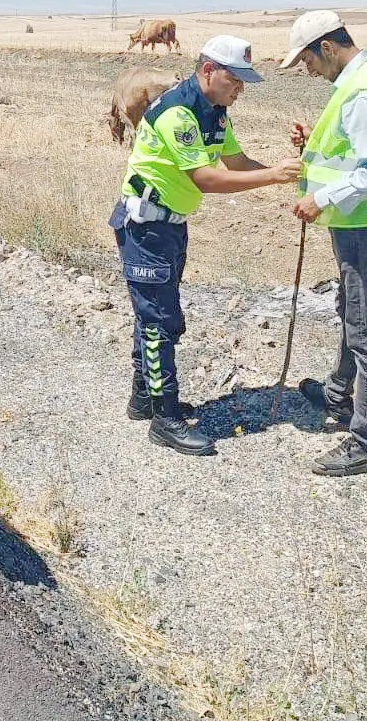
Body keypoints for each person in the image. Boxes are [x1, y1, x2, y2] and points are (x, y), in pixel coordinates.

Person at [110, 35, 301, 456]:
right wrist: (273, 176)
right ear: (209, 71)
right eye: (235, 79)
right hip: (146, 227)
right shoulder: (178, 113)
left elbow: (236, 163)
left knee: (154, 314)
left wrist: (283, 174)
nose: (241, 89)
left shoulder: (214, 111)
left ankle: (144, 398)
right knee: (160, 321)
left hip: (170, 226)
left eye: (244, 81)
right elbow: (206, 179)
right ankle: (165, 419)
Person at [280, 10, 367, 477]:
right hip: (358, 225)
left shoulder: (362, 92)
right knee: (351, 312)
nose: (307, 70)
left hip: (366, 229)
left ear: (328, 48)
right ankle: (338, 394)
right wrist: (312, 142)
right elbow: (353, 152)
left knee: (365, 329)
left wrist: (322, 198)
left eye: (308, 60)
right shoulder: (360, 81)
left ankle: (366, 442)